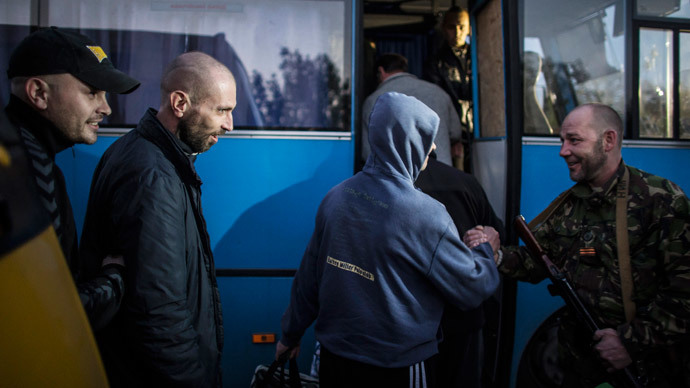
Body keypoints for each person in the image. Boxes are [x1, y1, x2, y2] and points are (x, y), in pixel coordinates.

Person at [276, 92, 500, 388]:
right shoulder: (425, 213)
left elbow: (308, 279)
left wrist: (290, 336)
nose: (432, 147)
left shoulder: (336, 197)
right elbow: (470, 287)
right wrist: (486, 249)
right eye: (426, 136)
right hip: (399, 368)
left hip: (336, 360)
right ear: (407, 140)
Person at [466, 103, 690, 387]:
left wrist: (630, 342)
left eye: (574, 140)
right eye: (562, 141)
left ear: (608, 140)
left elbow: (684, 294)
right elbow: (536, 261)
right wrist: (492, 253)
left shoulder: (661, 200)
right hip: (578, 366)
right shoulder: (568, 204)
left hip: (646, 369)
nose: (563, 151)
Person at [79, 51, 235, 387]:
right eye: (222, 110)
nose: (229, 124)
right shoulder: (152, 175)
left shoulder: (145, 155)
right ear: (180, 103)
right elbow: (159, 311)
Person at [2, 26, 140, 330]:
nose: (106, 108)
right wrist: (115, 278)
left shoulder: (20, 155)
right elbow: (53, 314)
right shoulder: (26, 173)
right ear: (39, 93)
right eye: (92, 91)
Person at [415, 154, 505, 388]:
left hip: (414, 324)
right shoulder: (465, 182)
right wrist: (487, 247)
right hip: (464, 320)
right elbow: (496, 235)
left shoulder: (387, 188)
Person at [361, 53, 461, 167]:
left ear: (381, 71)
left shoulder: (374, 100)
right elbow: (455, 132)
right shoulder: (439, 93)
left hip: (397, 178)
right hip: (442, 174)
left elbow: (367, 152)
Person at [424, 7, 472, 170]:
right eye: (452, 27)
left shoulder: (480, 57)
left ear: (469, 28)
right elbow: (436, 102)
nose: (457, 32)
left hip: (479, 131)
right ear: (444, 29)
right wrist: (451, 137)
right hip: (453, 132)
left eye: (461, 27)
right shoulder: (436, 62)